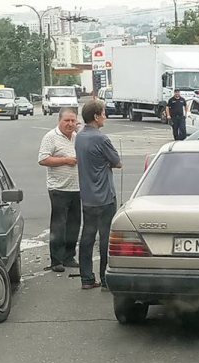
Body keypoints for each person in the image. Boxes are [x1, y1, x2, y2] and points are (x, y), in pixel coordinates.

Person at [75, 100, 123, 290]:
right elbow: (117, 162)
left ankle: (86, 278)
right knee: (105, 238)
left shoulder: (79, 137)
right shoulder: (101, 139)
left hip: (87, 197)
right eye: (103, 113)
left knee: (87, 236)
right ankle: (105, 279)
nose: (105, 116)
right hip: (104, 196)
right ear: (95, 116)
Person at [38, 107, 82, 273]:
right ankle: (56, 260)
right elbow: (43, 159)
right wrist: (65, 160)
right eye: (67, 121)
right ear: (59, 121)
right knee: (59, 226)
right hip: (59, 188)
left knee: (74, 224)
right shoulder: (51, 137)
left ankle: (69, 257)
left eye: (73, 120)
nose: (70, 124)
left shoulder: (77, 137)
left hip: (77, 187)